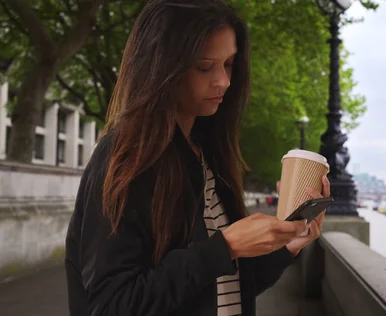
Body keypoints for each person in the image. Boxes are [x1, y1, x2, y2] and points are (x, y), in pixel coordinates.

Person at [64, 1, 330, 315]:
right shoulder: (127, 158)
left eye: (229, 64)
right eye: (204, 66)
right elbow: (113, 304)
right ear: (162, 68)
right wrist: (226, 245)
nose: (224, 81)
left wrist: (288, 245)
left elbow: (225, 289)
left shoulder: (208, 155)